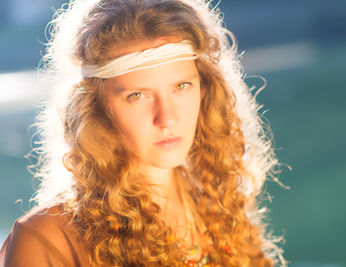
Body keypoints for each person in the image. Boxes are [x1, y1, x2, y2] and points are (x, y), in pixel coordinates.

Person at [0, 0, 286, 266]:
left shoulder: (219, 206)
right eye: (137, 95)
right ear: (96, 107)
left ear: (206, 89)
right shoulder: (48, 237)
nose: (167, 118)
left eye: (181, 86)